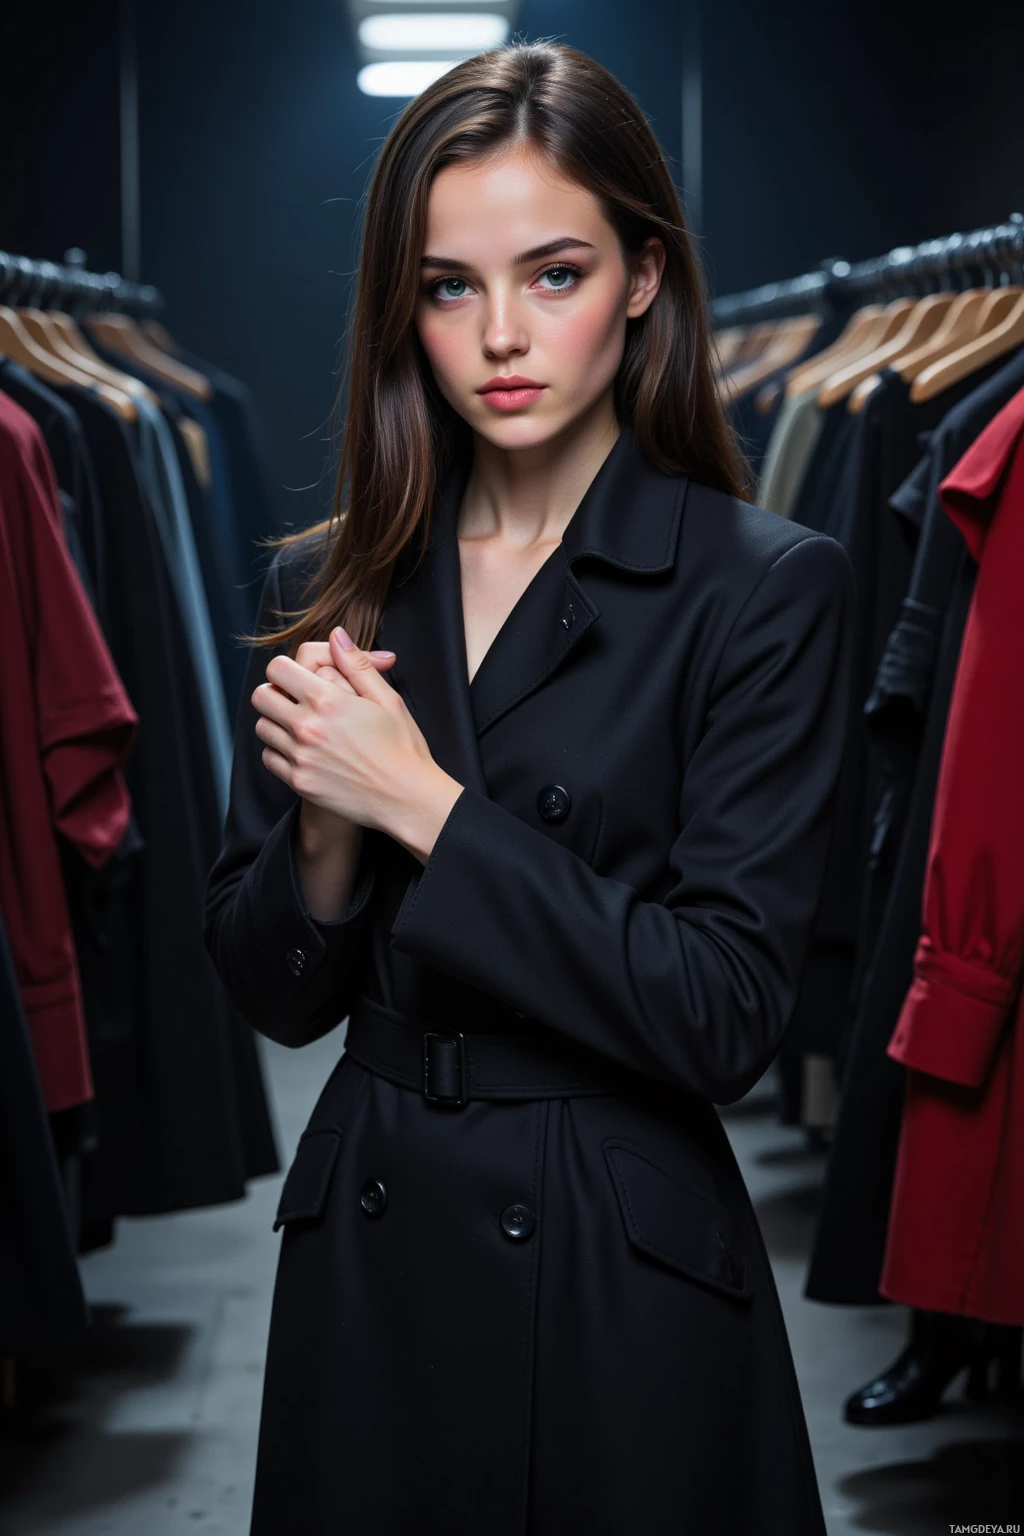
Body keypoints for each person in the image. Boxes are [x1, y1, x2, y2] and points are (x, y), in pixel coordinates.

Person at [204, 40, 854, 1536]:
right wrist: (321, 827)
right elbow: (272, 991)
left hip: (616, 1268)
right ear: (402, 308)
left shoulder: (760, 590)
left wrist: (421, 805)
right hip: (369, 1249)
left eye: (553, 273)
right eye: (449, 286)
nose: (501, 333)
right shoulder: (336, 581)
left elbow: (725, 1013)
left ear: (641, 277)